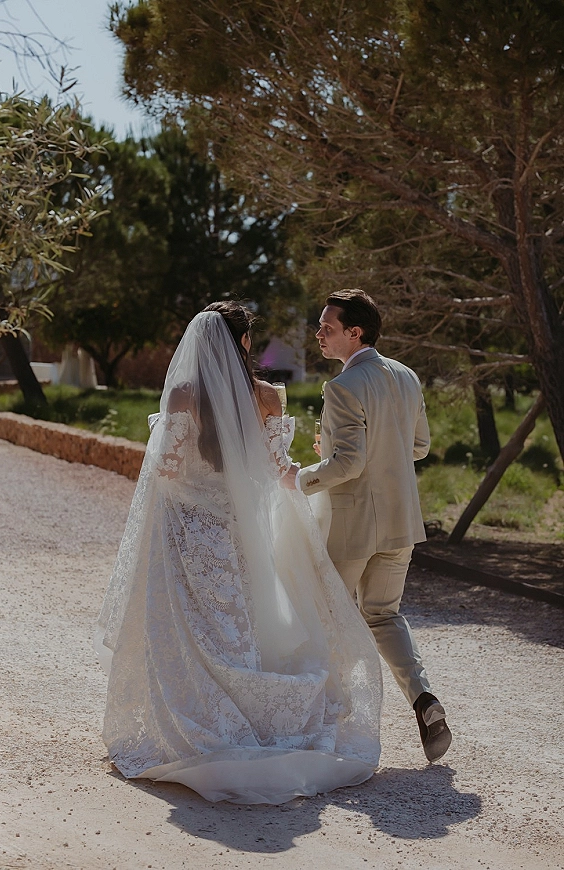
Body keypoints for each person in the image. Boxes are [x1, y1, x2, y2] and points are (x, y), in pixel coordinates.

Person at [94, 301, 383, 805]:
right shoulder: (268, 396)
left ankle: (196, 714)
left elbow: (167, 469)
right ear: (244, 343)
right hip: (240, 524)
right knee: (243, 615)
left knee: (188, 622)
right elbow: (276, 468)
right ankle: (258, 709)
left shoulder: (183, 394)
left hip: (189, 524)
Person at [281, 289, 452, 763]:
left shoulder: (343, 387)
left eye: (327, 327)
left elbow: (350, 464)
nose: (318, 334)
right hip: (401, 520)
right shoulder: (406, 375)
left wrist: (300, 477)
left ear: (355, 333)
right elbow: (417, 446)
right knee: (383, 614)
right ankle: (424, 700)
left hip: (353, 524)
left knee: (326, 617)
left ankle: (324, 724)